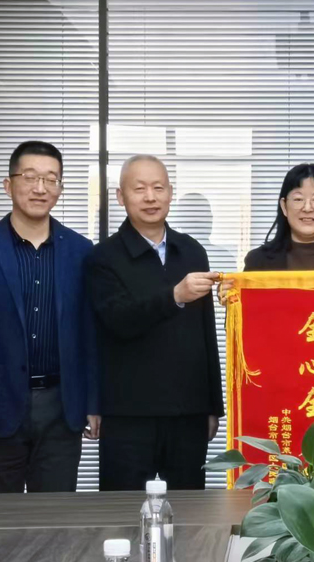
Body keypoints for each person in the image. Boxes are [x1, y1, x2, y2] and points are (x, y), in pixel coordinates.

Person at [0, 140, 100, 494]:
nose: (40, 188)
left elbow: (89, 336)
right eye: (30, 177)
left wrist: (93, 403)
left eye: (51, 179)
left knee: (56, 517)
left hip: (62, 408)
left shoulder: (81, 251)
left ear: (60, 188)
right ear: (8, 184)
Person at [86, 154, 224, 491]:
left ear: (170, 193)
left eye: (158, 188)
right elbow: (117, 321)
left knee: (190, 509)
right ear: (120, 196)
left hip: (188, 411)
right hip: (128, 413)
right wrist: (174, 295)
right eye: (140, 189)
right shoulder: (103, 257)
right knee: (122, 510)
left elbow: (206, 333)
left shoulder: (192, 251)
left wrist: (213, 406)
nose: (150, 197)